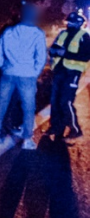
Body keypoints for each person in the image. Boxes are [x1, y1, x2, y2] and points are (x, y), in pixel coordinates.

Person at [0, 2, 47, 150]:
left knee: (1, 104)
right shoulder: (38, 34)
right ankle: (27, 139)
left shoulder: (8, 31)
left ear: (21, 15)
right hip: (27, 76)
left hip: (8, 73)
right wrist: (34, 72)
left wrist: (4, 66)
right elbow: (41, 58)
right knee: (28, 107)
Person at [46, 11, 90, 139]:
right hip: (59, 71)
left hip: (73, 73)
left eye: (71, 22)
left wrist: (65, 53)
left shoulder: (84, 36)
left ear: (78, 23)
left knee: (66, 101)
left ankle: (75, 129)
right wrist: (53, 51)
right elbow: (55, 46)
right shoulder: (63, 33)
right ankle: (55, 127)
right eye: (68, 22)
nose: (68, 24)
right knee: (55, 101)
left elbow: (86, 55)